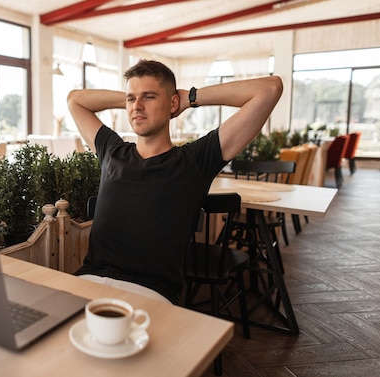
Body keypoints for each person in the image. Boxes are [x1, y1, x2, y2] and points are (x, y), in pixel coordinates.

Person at [67, 59, 283, 304]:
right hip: (88, 280)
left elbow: (270, 89)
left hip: (149, 292)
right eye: (131, 99)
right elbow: (75, 100)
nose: (136, 106)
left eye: (149, 97)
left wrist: (190, 98)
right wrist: (134, 99)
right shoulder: (111, 151)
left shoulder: (195, 160)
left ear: (172, 103)